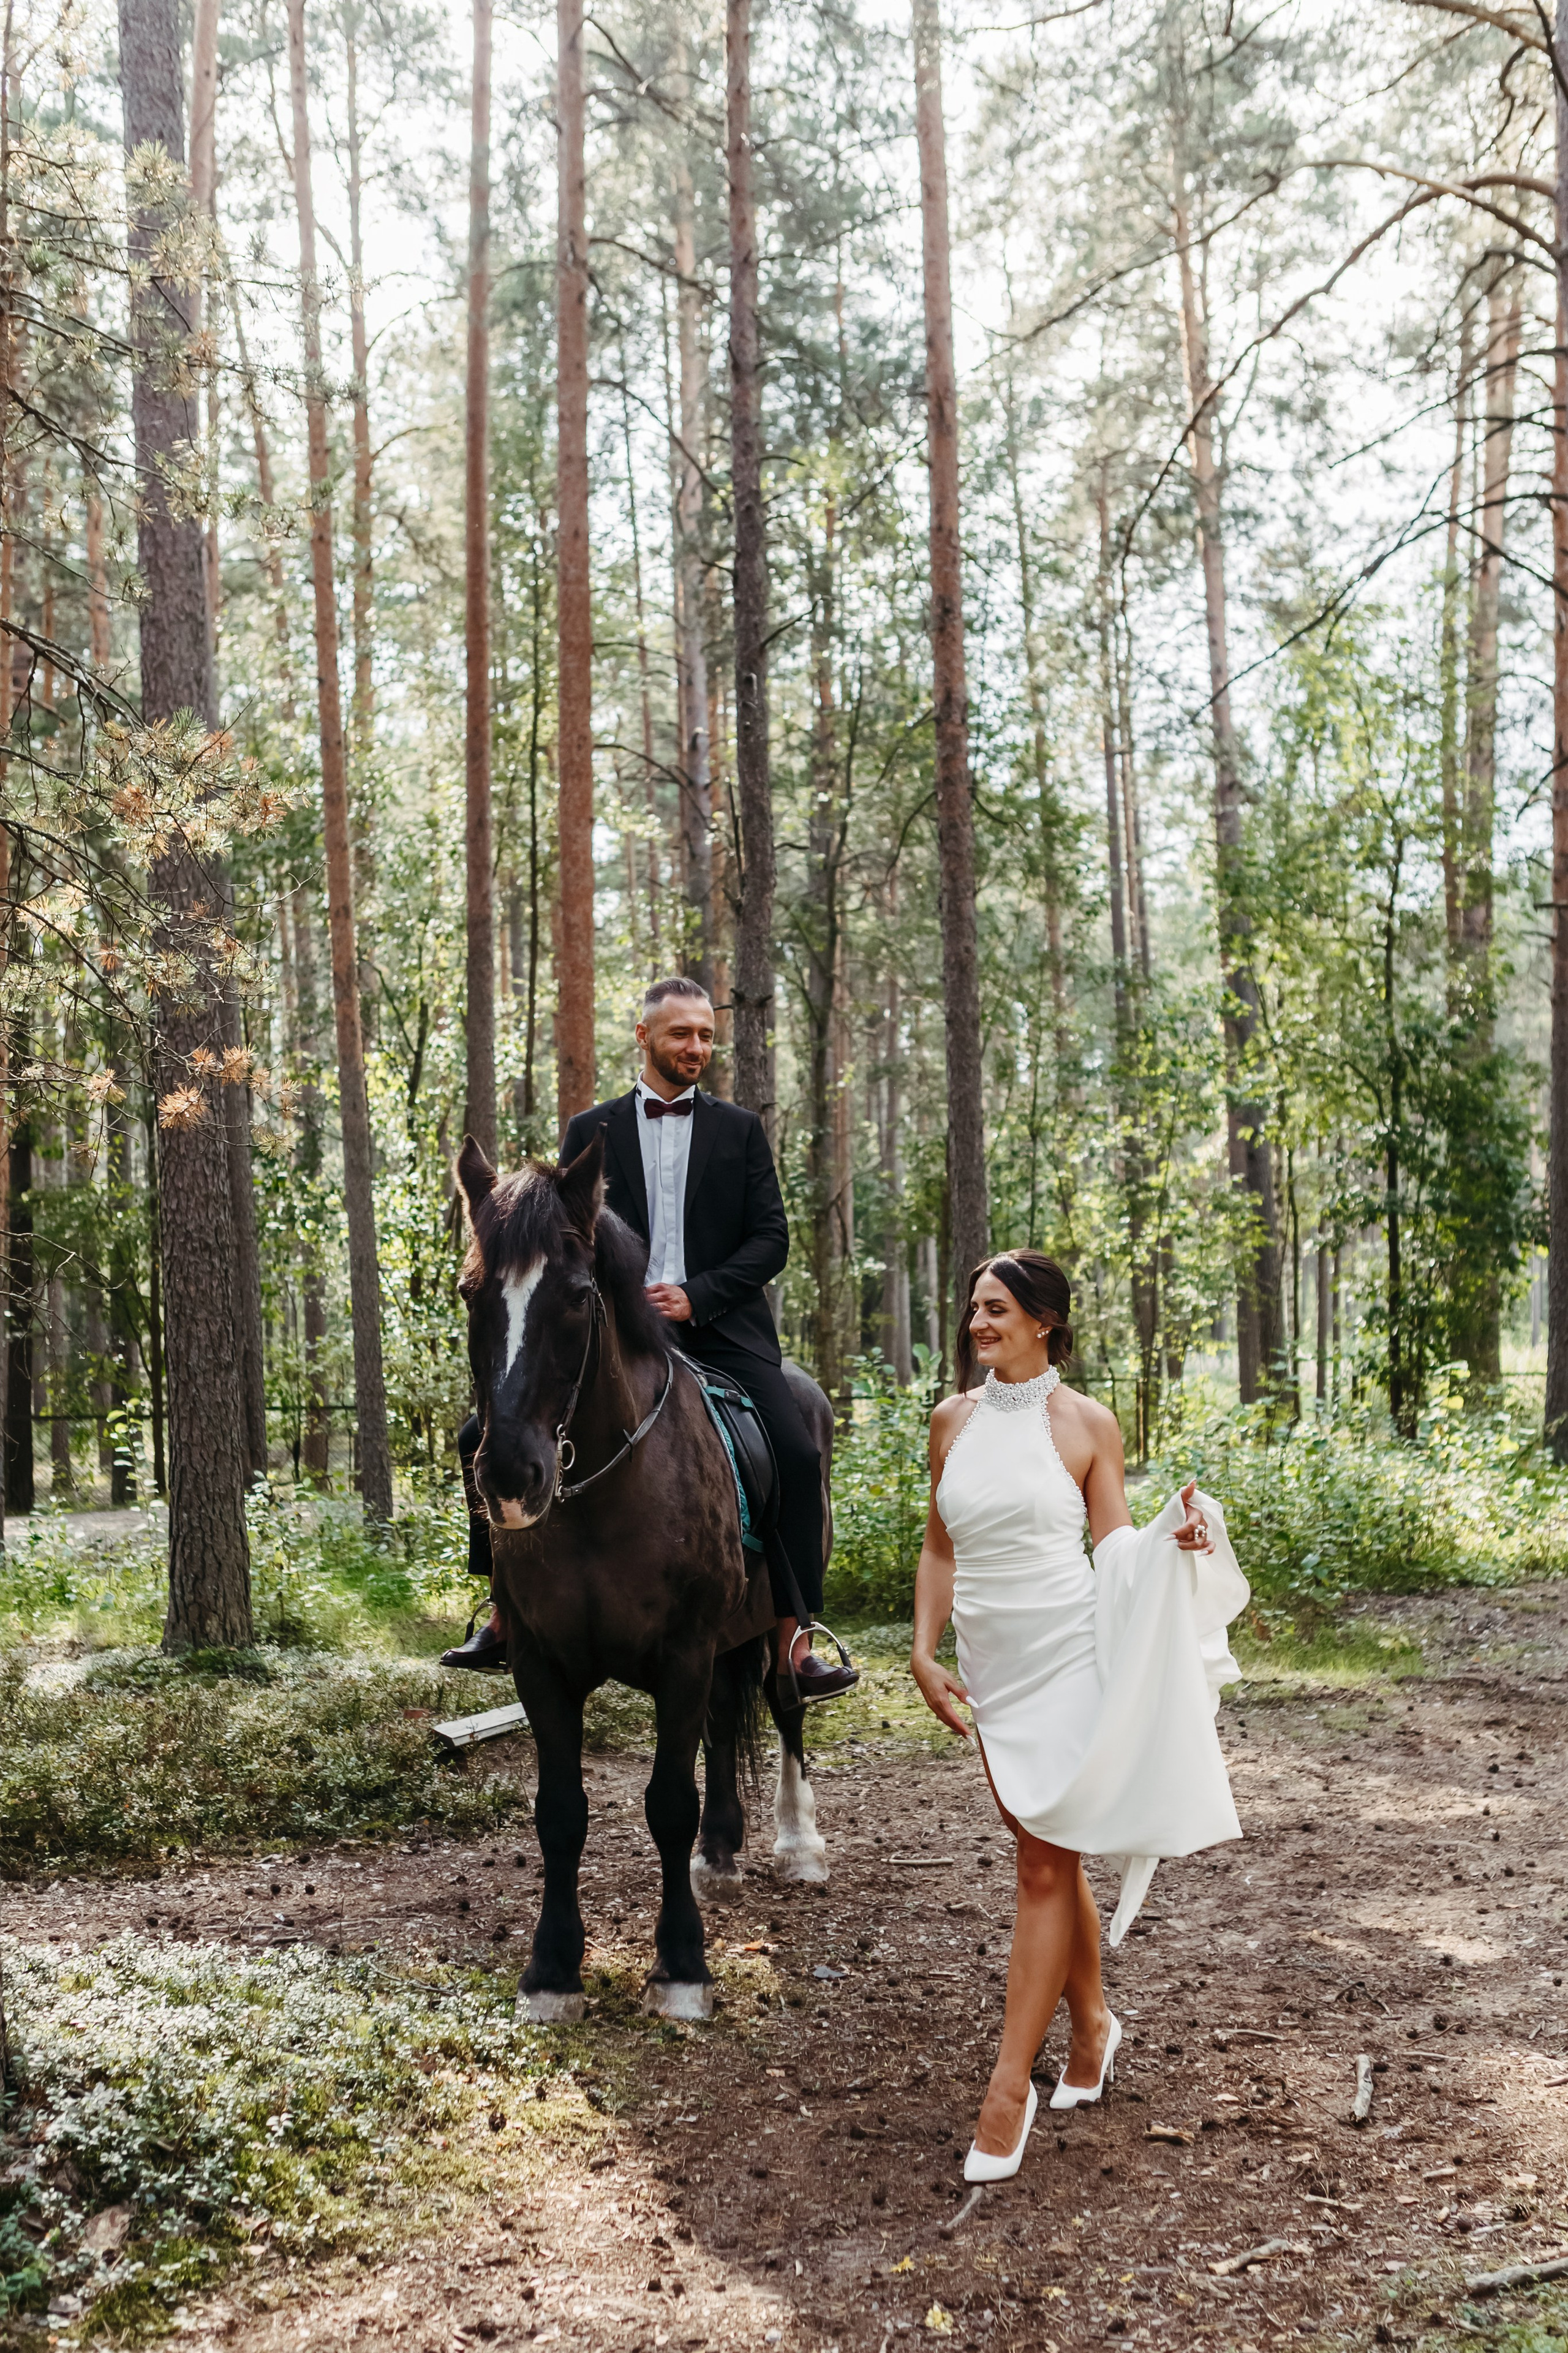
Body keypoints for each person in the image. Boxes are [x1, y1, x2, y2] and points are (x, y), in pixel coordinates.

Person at [910, 1251, 1246, 2183]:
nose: (979, 1324)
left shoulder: (1088, 1424)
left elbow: (1116, 1551)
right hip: (993, 1669)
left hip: (1067, 1654)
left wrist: (1171, 1540)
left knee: (1042, 1864)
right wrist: (924, 1650)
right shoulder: (952, 1421)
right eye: (974, 1308)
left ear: (1045, 1321)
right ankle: (1094, 2024)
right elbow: (939, 1547)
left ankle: (1008, 2086)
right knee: (1045, 1845)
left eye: (998, 1309)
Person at [445, 975, 856, 1702]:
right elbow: (565, 1245)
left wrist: (697, 1296)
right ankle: (506, 1614)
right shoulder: (589, 1130)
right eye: (680, 1034)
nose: (695, 1047)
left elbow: (771, 1239)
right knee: (481, 1429)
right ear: (644, 1037)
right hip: (620, 1337)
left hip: (722, 1332)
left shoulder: (740, 1131)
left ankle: (795, 1638)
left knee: (794, 1447)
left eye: (704, 1034)